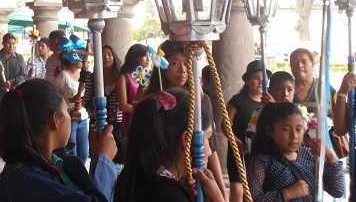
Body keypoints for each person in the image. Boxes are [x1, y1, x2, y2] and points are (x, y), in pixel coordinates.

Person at [0, 79, 118, 201]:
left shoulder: (54, 163)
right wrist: (104, 161)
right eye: (67, 111)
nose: (70, 117)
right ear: (55, 120)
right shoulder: (26, 182)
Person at [147, 40, 227, 199]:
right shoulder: (151, 102)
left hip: (196, 177)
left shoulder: (201, 100)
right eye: (175, 63)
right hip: (164, 178)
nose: (182, 69)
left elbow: (210, 150)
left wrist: (221, 190)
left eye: (186, 63)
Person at [114, 88, 224, 202]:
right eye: (208, 138)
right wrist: (218, 199)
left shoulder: (133, 177)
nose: (210, 151)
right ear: (187, 140)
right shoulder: (170, 195)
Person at [247, 102, 344, 201]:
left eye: (298, 129)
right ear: (270, 131)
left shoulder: (309, 155)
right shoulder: (262, 161)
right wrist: (287, 193)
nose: (294, 136)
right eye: (286, 129)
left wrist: (331, 156)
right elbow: (252, 198)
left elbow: (337, 191)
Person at [225, 60, 265, 202]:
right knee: (237, 187)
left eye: (264, 79)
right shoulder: (238, 100)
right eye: (256, 78)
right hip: (238, 151)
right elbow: (225, 125)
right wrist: (237, 143)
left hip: (258, 152)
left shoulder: (267, 102)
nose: (261, 82)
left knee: (254, 188)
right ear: (247, 81)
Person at [83, 45, 124, 161]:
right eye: (103, 55)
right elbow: (86, 100)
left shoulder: (120, 78)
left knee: (118, 157)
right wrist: (92, 113)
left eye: (109, 54)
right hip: (98, 122)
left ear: (114, 57)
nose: (106, 57)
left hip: (117, 123)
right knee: (98, 155)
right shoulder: (92, 77)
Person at [53, 37, 89, 164]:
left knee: (84, 154)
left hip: (83, 117)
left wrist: (83, 101)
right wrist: (69, 101)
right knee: (71, 153)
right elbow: (55, 95)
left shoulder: (84, 73)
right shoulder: (63, 75)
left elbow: (89, 94)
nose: (83, 59)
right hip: (69, 117)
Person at [0, 33, 27, 117]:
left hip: (14, 91)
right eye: (9, 43)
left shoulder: (19, 58)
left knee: (13, 116)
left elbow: (24, 75)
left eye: (13, 44)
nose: (11, 46)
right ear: (3, 43)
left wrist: (13, 81)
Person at [291, 48, 335, 114]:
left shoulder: (325, 87)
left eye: (304, 62)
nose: (299, 65)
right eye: (295, 62)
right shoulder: (285, 89)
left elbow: (340, 110)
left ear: (312, 64)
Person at [116, 44, 149, 134]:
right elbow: (123, 105)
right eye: (145, 56)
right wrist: (143, 112)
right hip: (130, 125)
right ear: (136, 57)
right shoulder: (124, 77)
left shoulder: (143, 75)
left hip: (143, 124)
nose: (148, 59)